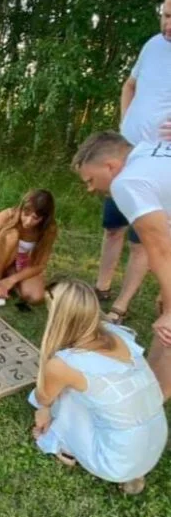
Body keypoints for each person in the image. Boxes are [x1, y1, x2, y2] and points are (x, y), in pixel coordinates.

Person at [30, 280, 167, 495]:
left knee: (65, 396)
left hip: (115, 460)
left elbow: (43, 397)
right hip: (155, 441)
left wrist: (43, 410)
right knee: (89, 392)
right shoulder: (117, 333)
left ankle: (64, 447)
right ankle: (132, 472)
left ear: (57, 316)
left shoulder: (63, 364)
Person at [72, 131, 171, 400]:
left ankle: (146, 409)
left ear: (111, 166)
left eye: (91, 180)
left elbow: (159, 249)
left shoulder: (126, 182)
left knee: (167, 333)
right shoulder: (152, 147)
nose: (91, 188)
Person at [94, 0, 171, 324]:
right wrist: (125, 124)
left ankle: (120, 306)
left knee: (143, 241)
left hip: (156, 168)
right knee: (113, 228)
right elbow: (130, 85)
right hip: (126, 157)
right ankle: (101, 287)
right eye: (166, 14)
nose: (167, 24)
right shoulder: (153, 45)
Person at [0, 190, 57, 307]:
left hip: (18, 264)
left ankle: (5, 280)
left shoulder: (49, 229)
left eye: (35, 218)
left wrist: (12, 280)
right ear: (21, 208)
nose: (28, 221)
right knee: (11, 236)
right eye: (26, 214)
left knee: (35, 297)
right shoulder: (7, 215)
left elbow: (40, 265)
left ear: (44, 219)